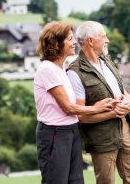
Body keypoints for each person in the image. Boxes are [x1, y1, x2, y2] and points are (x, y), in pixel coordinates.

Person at [34, 21, 117, 184]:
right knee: (56, 181)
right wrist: (96, 108)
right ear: (56, 44)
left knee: (77, 181)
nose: (74, 43)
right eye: (70, 39)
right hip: (55, 133)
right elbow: (68, 108)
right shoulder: (47, 69)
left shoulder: (60, 70)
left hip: (71, 130)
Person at [67, 21, 130, 184]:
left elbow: (123, 92)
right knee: (106, 181)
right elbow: (80, 115)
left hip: (126, 128)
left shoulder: (107, 61)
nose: (107, 40)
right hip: (101, 136)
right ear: (91, 41)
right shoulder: (75, 72)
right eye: (104, 37)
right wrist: (113, 113)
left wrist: (129, 103)